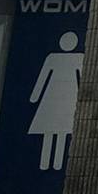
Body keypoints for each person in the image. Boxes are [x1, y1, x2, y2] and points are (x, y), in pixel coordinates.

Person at [28, 30, 85, 172]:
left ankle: (49, 164)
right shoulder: (58, 58)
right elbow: (43, 77)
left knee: (57, 131)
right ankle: (52, 164)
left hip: (56, 95)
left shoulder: (59, 58)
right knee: (58, 132)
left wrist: (35, 96)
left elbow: (43, 78)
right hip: (61, 94)